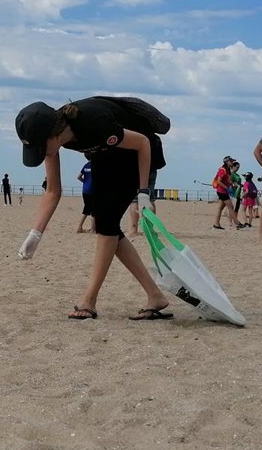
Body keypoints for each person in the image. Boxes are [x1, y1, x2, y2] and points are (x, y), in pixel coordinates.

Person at [14, 97, 174, 321]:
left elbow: (142, 143)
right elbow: (52, 191)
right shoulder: (53, 135)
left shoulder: (94, 122)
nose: (41, 155)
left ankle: (89, 301)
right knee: (106, 226)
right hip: (105, 154)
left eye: (40, 148)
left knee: (107, 226)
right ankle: (154, 296)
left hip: (136, 154)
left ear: (54, 134)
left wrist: (144, 191)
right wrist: (35, 234)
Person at [211, 157, 236, 229]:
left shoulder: (227, 170)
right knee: (231, 207)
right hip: (222, 191)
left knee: (220, 208)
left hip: (223, 191)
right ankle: (237, 223)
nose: (232, 162)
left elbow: (227, 181)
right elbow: (219, 181)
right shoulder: (223, 170)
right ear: (227, 162)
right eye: (231, 161)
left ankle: (216, 224)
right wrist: (227, 188)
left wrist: (232, 184)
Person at [76, 159, 94, 233]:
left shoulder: (86, 165)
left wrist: (85, 182)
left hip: (85, 190)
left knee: (88, 208)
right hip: (93, 191)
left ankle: (91, 228)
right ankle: (91, 229)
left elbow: (78, 177)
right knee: (92, 210)